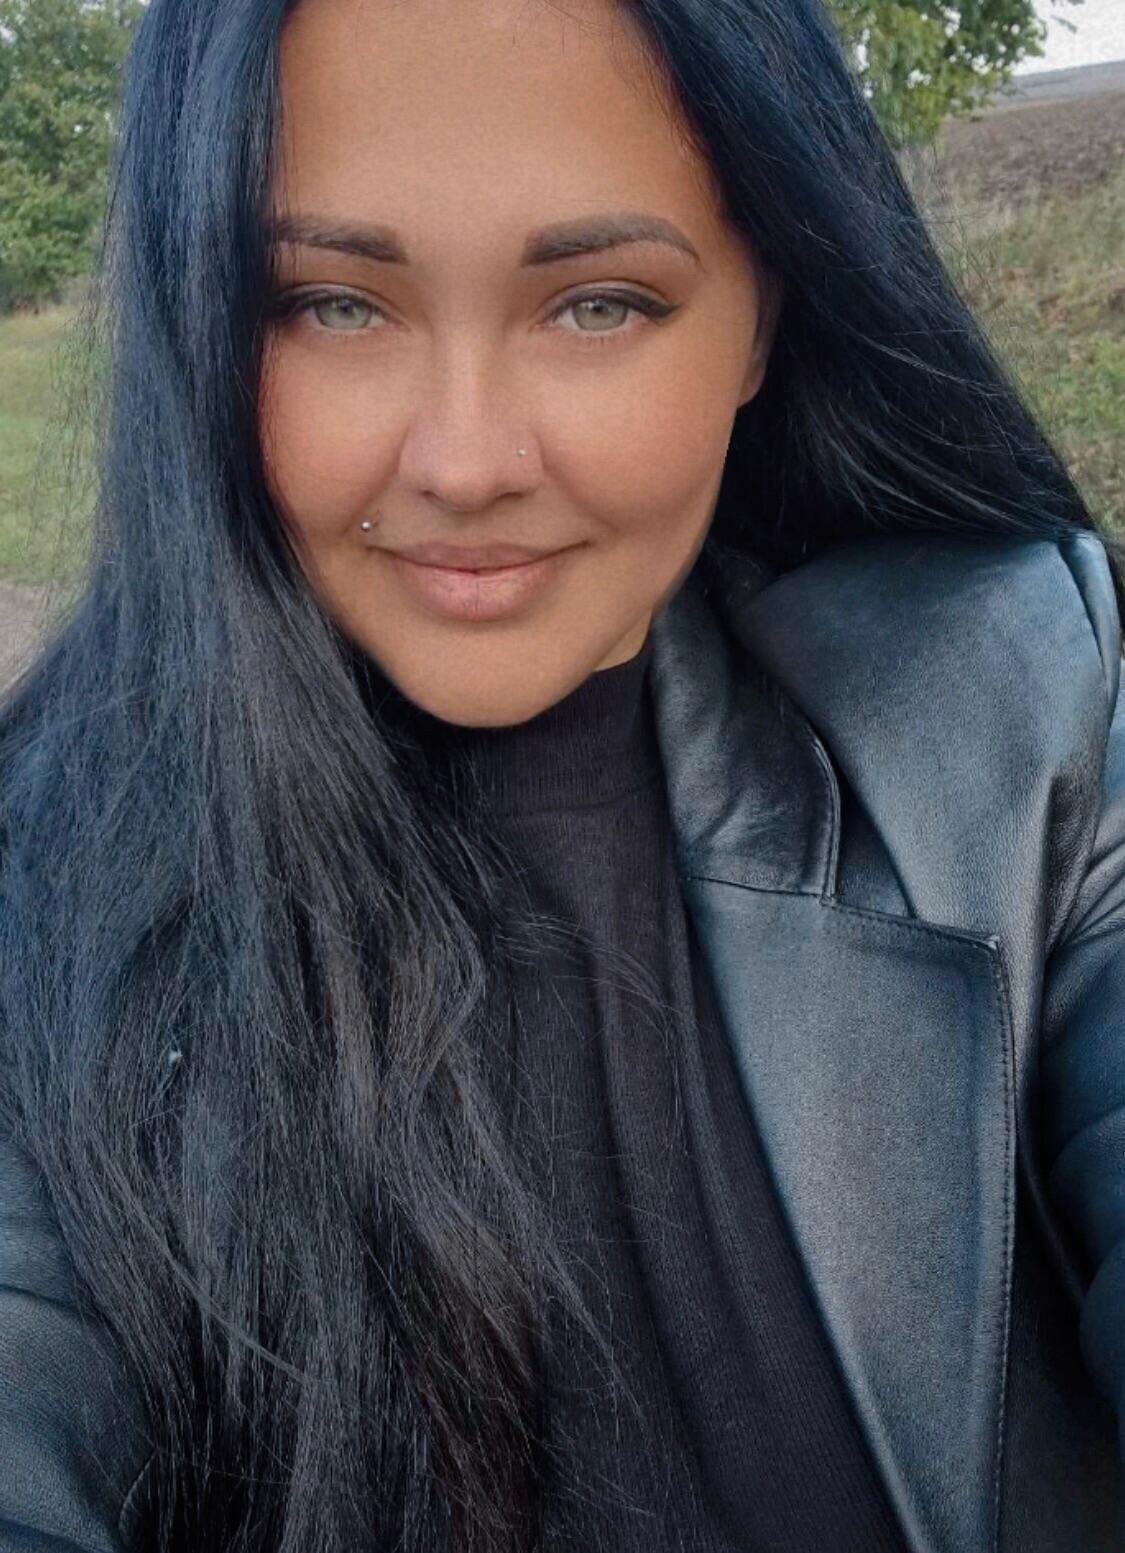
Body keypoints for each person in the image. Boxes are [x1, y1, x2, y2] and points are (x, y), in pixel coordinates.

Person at [0, 0, 1123, 1548]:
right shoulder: (40, 891)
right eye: (333, 304)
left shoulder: (1026, 698)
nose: (465, 462)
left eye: (597, 303)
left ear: (762, 318)